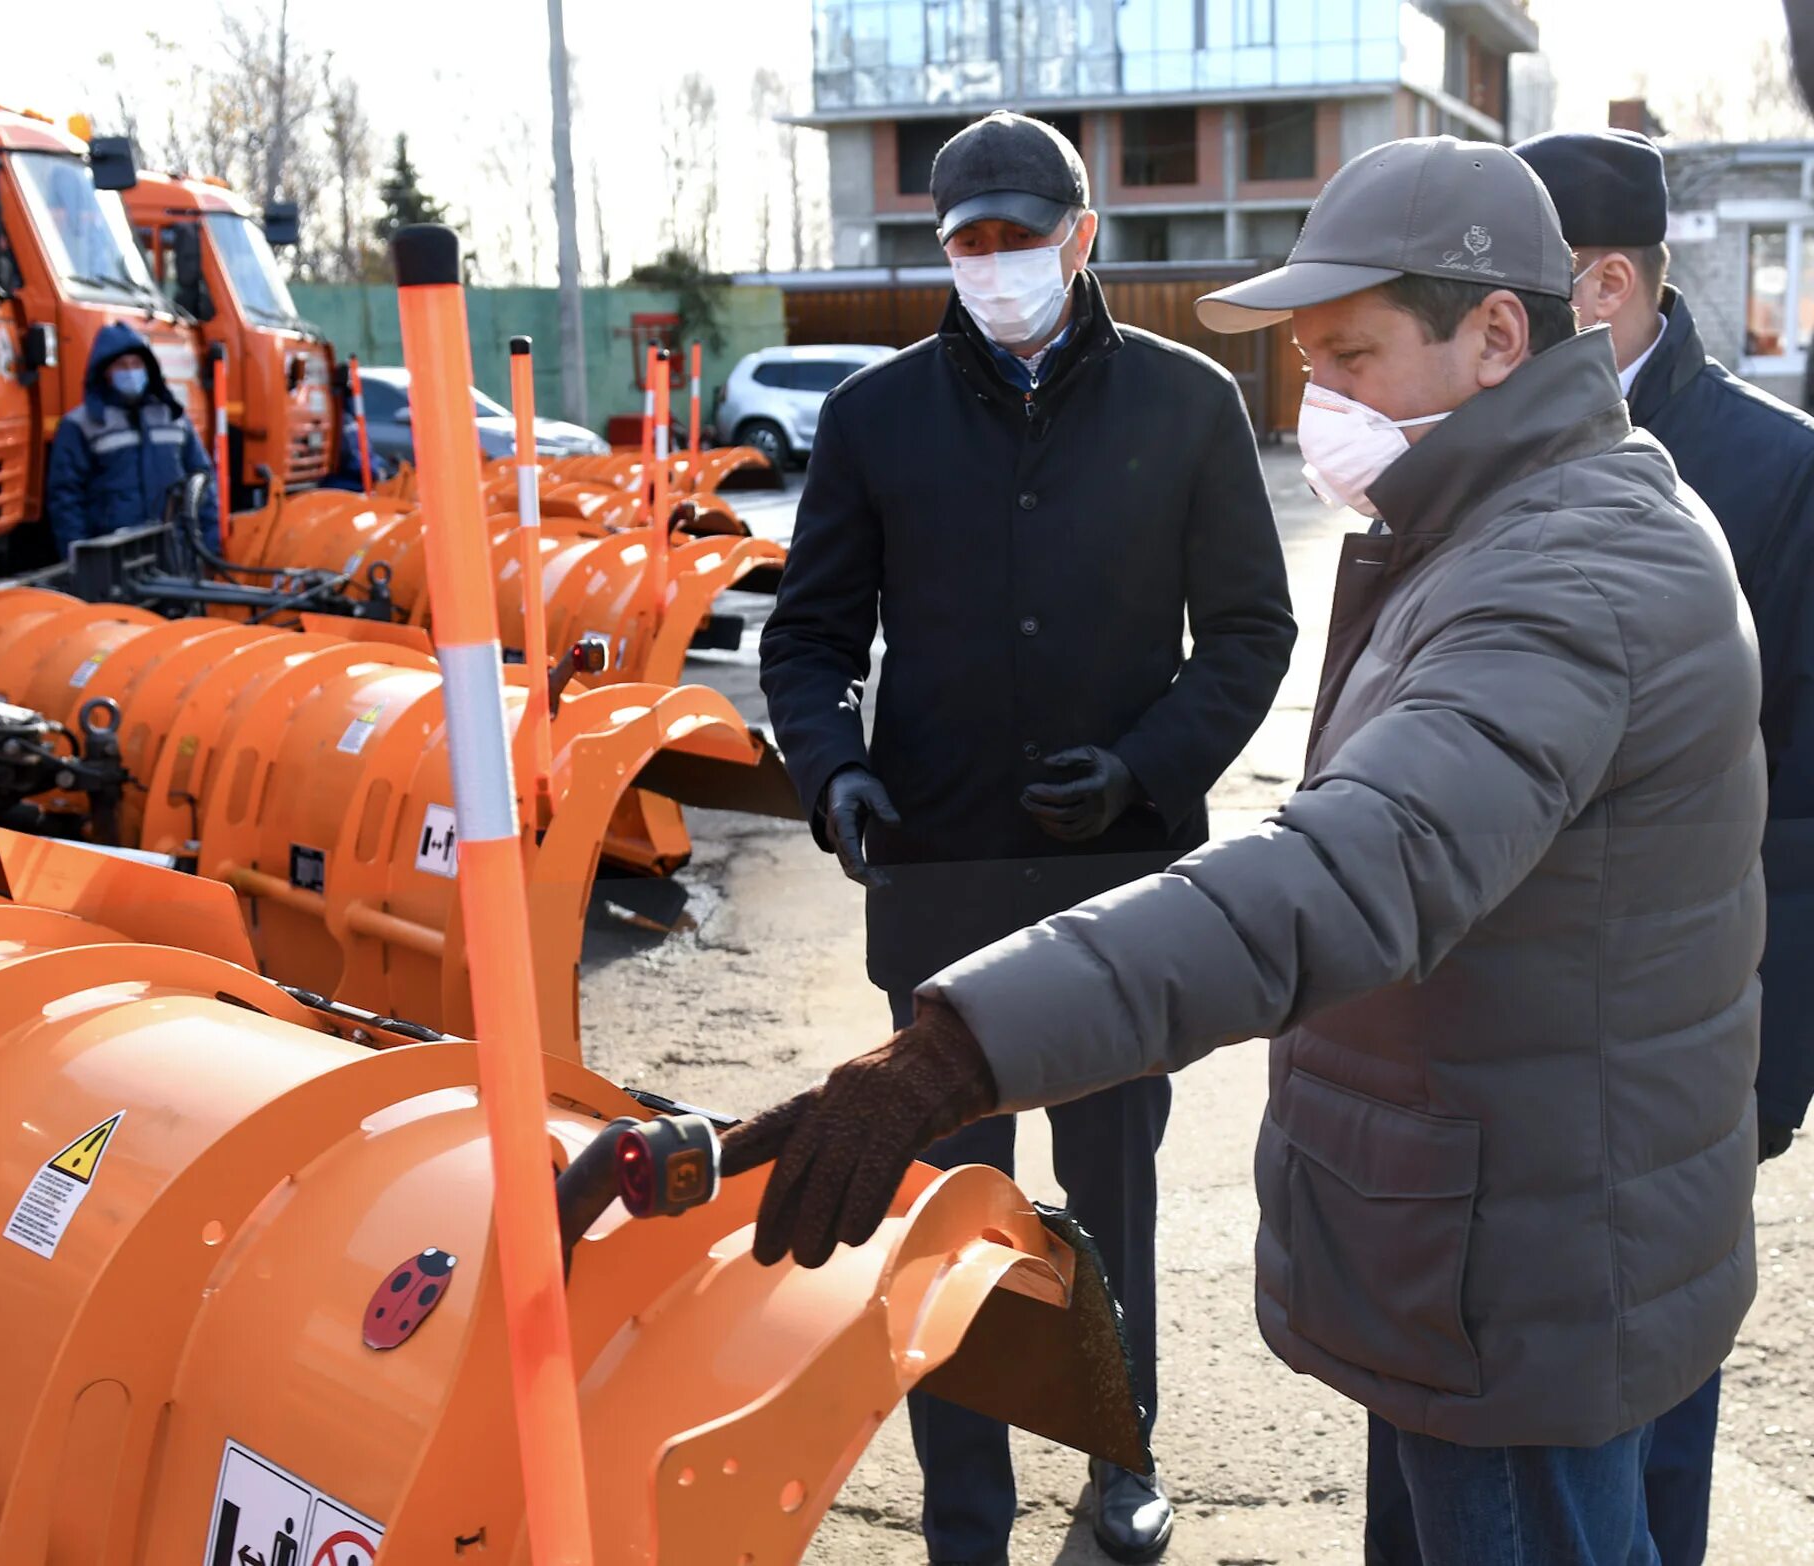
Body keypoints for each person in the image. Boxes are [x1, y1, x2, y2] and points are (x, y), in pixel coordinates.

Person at [731, 136, 1767, 1566]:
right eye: (1309, 361)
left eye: (1349, 355)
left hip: (1530, 1266)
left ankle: (1117, 1467)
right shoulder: (1485, 524)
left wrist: (956, 1047)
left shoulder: (1566, 575)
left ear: (1497, 334)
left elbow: (1355, 863)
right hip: (1495, 1238)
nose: (1319, 401)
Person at [756, 111, 1295, 1565]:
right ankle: (963, 1511)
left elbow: (1250, 630)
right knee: (950, 1208)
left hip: (1123, 889)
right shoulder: (876, 419)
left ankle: (1119, 1456)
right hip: (940, 884)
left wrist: (1142, 767)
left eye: (1021, 235)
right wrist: (836, 773)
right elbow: (808, 642)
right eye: (967, 241)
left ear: (1083, 234)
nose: (995, 264)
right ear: (943, 249)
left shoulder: (1188, 404)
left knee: (1106, 1193)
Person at [1339, 122, 1814, 1566]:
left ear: (1595, 285)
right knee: (1436, 1467)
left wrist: (1762, 1070)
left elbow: (1798, 806)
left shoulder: (1764, 470)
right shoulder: (1431, 455)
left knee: (1627, 1455)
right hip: (1447, 1079)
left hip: (1661, 1065)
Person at [46, 321, 220, 557]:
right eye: (121, 365)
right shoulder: (80, 425)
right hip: (114, 557)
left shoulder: (173, 417)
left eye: (136, 364)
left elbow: (202, 481)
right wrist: (80, 557)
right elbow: (66, 499)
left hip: (175, 552)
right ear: (105, 372)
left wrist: (211, 544)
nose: (130, 372)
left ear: (149, 369)